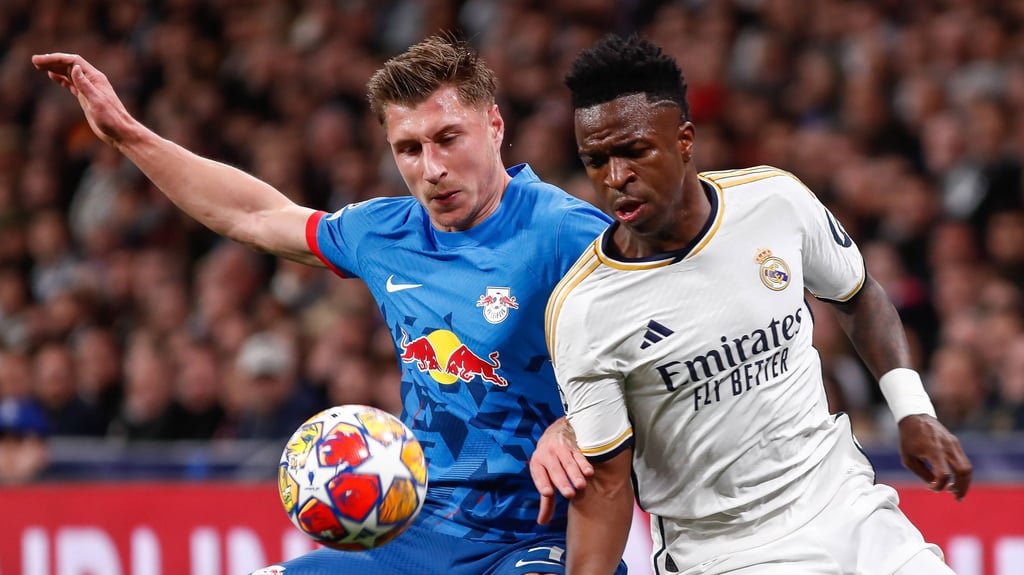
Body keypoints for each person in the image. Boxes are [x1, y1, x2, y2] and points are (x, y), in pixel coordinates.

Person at [33, 34, 624, 575]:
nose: (433, 168)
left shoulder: (566, 233)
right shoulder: (384, 233)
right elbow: (253, 214)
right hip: (423, 529)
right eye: (409, 148)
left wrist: (577, 425)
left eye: (448, 138)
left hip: (540, 534)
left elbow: (665, 356)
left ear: (494, 125)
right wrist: (128, 134)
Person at [545, 34, 974, 575]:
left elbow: (859, 294)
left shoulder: (776, 201)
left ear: (684, 140)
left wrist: (912, 409)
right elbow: (606, 485)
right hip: (726, 550)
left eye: (634, 151)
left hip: (847, 506)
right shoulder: (585, 309)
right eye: (595, 160)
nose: (615, 178)